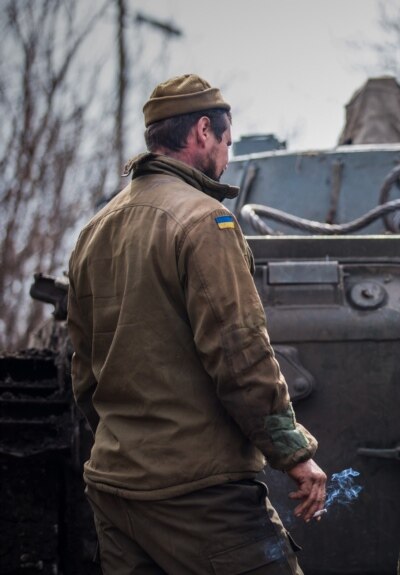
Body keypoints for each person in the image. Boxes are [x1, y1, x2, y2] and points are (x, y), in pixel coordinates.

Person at [66, 74, 327, 573]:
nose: (227, 157)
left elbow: (84, 370)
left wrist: (127, 447)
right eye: (227, 143)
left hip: (115, 487)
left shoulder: (94, 231)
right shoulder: (205, 222)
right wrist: (294, 455)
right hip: (199, 498)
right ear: (203, 131)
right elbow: (240, 355)